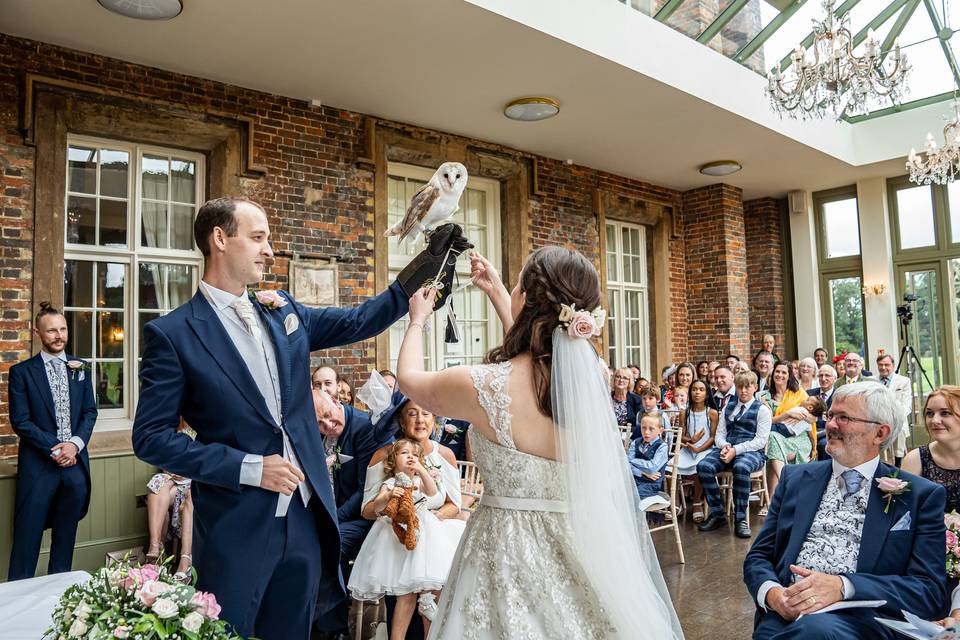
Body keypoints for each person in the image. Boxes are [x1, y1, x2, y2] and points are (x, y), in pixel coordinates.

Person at [131, 197, 455, 639]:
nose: (269, 250)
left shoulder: (280, 309)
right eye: (259, 238)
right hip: (235, 525)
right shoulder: (172, 334)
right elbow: (150, 438)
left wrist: (422, 272)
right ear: (220, 239)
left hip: (306, 519)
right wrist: (248, 468)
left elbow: (357, 320)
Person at [395, 248, 683, 638]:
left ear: (527, 301)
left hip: (504, 555)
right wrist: (499, 291)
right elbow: (546, 353)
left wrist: (416, 321)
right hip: (581, 546)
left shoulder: (483, 385)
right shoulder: (593, 375)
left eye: (517, 286)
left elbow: (411, 379)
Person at [744, 382, 947, 639]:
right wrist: (773, 594)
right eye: (830, 416)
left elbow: (928, 591)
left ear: (880, 433)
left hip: (862, 623)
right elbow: (758, 556)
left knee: (814, 632)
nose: (829, 425)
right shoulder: (794, 479)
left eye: (844, 418)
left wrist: (845, 586)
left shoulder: (919, 495)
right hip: (787, 615)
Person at [361, 396, 465, 639]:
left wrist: (431, 519)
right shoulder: (384, 455)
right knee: (404, 599)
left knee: (436, 593)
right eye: (412, 413)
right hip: (395, 538)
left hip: (432, 536)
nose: (420, 419)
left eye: (427, 413)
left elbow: (454, 505)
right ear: (401, 420)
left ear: (435, 419)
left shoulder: (445, 455)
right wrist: (390, 507)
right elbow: (366, 510)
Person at [7, 302, 97, 581]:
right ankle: (16, 605)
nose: (59, 336)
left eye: (63, 329)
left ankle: (59, 598)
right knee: (27, 541)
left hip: (75, 467)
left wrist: (75, 445)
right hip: (39, 469)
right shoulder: (22, 373)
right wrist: (57, 448)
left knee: (65, 540)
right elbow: (21, 422)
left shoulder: (80, 367)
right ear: (37, 332)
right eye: (51, 331)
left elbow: (89, 411)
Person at [311, 387, 382, 637]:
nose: (327, 424)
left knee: (329, 543)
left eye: (328, 415)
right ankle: (307, 619)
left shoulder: (364, 428)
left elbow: (365, 491)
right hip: (328, 516)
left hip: (362, 518)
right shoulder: (316, 433)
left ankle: (333, 629)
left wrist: (331, 520)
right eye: (319, 423)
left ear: (335, 399)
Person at [697, 371, 771, 539]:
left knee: (741, 467)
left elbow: (760, 441)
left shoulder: (762, 410)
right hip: (727, 447)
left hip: (751, 452)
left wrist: (735, 450)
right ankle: (718, 514)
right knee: (703, 466)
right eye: (740, 387)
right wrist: (724, 446)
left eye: (747, 387)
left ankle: (740, 519)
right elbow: (719, 435)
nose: (743, 390)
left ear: (754, 387)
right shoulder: (728, 406)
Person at [145, 421, 196, 582]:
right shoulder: (168, 429)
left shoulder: (205, 429)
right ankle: (155, 547)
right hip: (175, 480)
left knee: (192, 495)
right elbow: (163, 457)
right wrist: (173, 469)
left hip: (197, 481)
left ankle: (185, 562)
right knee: (159, 482)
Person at [902, 386, 960, 515]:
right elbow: (904, 514)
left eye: (945, 413)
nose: (934, 420)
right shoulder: (915, 460)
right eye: (929, 413)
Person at [761, 363, 813, 504]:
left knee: (773, 448)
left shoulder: (799, 394)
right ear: (772, 375)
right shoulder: (764, 396)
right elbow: (765, 423)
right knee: (773, 440)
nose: (780, 375)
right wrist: (787, 414)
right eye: (777, 371)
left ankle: (771, 501)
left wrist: (803, 416)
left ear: (789, 376)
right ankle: (786, 485)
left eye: (784, 372)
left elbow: (812, 417)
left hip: (798, 438)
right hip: (775, 437)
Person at [677, 379, 719, 522]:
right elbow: (680, 436)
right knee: (671, 467)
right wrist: (691, 441)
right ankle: (676, 504)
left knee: (699, 467)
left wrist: (698, 448)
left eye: (701, 390)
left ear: (707, 394)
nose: (697, 392)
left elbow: (713, 437)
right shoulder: (685, 413)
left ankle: (696, 502)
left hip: (705, 449)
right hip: (689, 449)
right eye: (694, 389)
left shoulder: (712, 413)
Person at [875, 353, 912, 465]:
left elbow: (907, 405)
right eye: (880, 365)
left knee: (898, 430)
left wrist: (894, 417)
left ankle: (898, 461)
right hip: (877, 418)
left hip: (897, 418)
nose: (883, 368)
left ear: (893, 366)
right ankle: (877, 461)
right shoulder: (872, 380)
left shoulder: (904, 381)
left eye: (887, 365)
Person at [629, 413, 669, 500]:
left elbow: (652, 467)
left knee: (634, 497)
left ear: (660, 430)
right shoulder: (635, 443)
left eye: (651, 429)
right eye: (643, 428)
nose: (646, 432)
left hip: (650, 485)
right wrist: (642, 472)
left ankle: (640, 513)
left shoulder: (662, 446)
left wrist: (632, 461)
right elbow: (626, 465)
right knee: (617, 491)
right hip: (633, 480)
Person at [808, 365, 838, 461]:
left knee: (824, 444)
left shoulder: (839, 396)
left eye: (827, 376)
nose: (823, 379)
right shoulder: (809, 394)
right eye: (820, 376)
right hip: (809, 431)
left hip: (830, 433)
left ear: (835, 378)